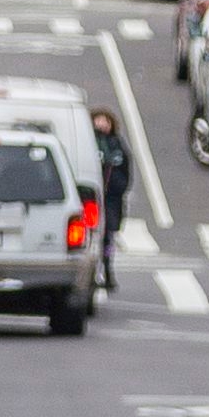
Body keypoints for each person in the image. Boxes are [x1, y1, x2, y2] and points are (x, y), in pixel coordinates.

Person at [90, 106, 131, 292]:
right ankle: (91, 272)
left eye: (105, 121)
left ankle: (108, 270)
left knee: (108, 237)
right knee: (91, 238)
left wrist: (117, 188)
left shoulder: (117, 145)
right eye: (98, 120)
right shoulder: (89, 142)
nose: (101, 124)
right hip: (93, 199)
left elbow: (125, 171)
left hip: (111, 200)